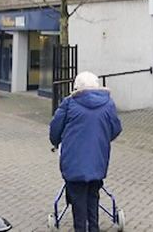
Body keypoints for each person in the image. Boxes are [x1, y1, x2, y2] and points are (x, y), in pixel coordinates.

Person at [49, 71, 122, 232]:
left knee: (77, 199)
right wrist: (101, 139)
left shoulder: (69, 103)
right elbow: (116, 129)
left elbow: (55, 129)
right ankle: (94, 228)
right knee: (93, 195)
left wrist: (55, 142)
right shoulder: (108, 104)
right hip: (98, 160)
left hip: (73, 161)